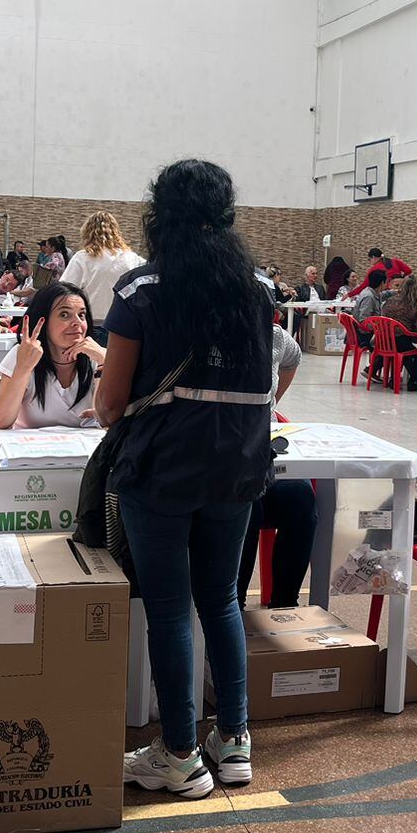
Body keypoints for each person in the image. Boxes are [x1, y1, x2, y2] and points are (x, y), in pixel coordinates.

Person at [98, 159, 273, 800]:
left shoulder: (142, 289)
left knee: (170, 612)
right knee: (222, 600)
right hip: (239, 468)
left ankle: (177, 755)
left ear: (158, 214)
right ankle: (234, 742)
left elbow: (110, 404)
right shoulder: (258, 287)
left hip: (164, 468)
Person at [238, 323, 316, 610]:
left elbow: (293, 359)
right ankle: (233, 606)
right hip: (223, 464)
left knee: (301, 497)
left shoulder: (273, 336)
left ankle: (285, 605)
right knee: (248, 502)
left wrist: (270, 406)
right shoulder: (206, 332)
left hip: (262, 454)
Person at [0, 282, 104, 428]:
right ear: (42, 320)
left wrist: (104, 365)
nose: (77, 322)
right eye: (65, 315)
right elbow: (0, 422)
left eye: (81, 315)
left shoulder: (97, 357)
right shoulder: (24, 353)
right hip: (29, 447)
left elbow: (104, 422)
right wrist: (23, 368)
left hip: (86, 449)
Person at [62, 211, 143, 345]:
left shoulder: (82, 258)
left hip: (90, 325)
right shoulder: (132, 258)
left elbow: (64, 290)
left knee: (90, 364)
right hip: (124, 326)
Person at [381, 273, 417, 391]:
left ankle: (395, 379)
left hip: (385, 341)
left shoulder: (389, 301)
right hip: (401, 341)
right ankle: (414, 379)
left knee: (408, 349)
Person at [350, 267, 390, 381]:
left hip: (366, 332)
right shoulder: (369, 297)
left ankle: (372, 369)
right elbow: (363, 321)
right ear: (381, 283)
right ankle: (371, 370)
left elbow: (385, 294)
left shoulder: (374, 293)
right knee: (391, 343)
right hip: (363, 335)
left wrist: (397, 292)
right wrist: (380, 328)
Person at [347, 247, 412, 296]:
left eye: (369, 259)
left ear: (373, 257)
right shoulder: (395, 261)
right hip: (401, 292)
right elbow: (409, 271)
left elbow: (364, 285)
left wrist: (349, 294)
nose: (370, 262)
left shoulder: (374, 269)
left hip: (386, 294)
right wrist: (401, 280)